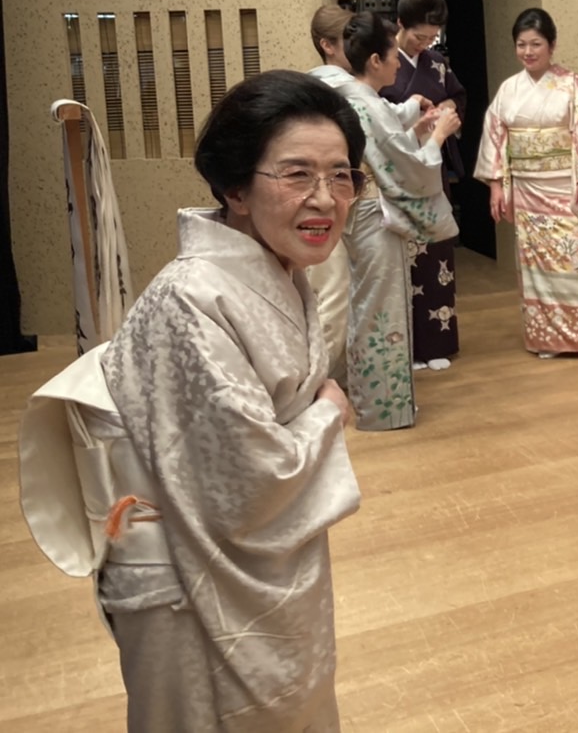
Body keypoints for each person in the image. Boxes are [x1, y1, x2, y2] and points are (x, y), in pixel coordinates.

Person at [28, 70, 364, 729]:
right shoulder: (190, 299)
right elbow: (252, 480)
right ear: (236, 188)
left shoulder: (275, 272)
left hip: (245, 555)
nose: (325, 198)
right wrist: (329, 409)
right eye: (297, 174)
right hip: (185, 577)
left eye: (342, 175)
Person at [333, 12, 461, 429]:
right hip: (375, 214)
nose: (396, 65)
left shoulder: (357, 99)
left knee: (371, 302)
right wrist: (438, 136)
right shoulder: (365, 103)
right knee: (380, 306)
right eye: (391, 56)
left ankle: (379, 402)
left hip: (366, 210)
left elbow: (388, 151)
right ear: (375, 60)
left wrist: (417, 129)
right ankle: (382, 408)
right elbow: (405, 166)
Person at [473, 7, 578, 365]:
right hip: (526, 190)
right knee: (537, 266)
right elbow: (495, 136)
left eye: (536, 44)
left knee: (577, 257)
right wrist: (496, 185)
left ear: (552, 45)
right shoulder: (509, 89)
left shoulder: (572, 85)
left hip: (565, 185)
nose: (528, 51)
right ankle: (548, 335)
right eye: (521, 44)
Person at [303, 4, 429, 383]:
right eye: (347, 38)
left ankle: (340, 378)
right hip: (342, 198)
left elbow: (386, 119)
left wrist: (410, 110)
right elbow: (385, 128)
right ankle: (321, 382)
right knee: (336, 292)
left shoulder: (331, 87)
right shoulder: (340, 89)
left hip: (339, 198)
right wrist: (431, 134)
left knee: (340, 291)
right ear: (328, 45)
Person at [381, 0, 467, 367]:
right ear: (400, 24)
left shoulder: (436, 63)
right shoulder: (383, 61)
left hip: (433, 167)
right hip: (397, 170)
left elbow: (458, 97)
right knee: (400, 255)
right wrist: (413, 118)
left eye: (432, 38)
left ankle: (436, 343)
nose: (425, 44)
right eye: (419, 36)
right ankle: (405, 345)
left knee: (436, 253)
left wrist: (446, 107)